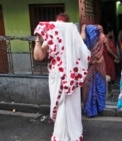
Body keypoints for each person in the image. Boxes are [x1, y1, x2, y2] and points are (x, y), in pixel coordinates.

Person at [33, 13, 91, 141]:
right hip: (62, 77)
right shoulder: (55, 37)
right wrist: (39, 37)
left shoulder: (71, 37)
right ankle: (64, 133)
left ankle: (68, 133)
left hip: (68, 76)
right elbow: (38, 56)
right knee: (63, 106)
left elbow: (84, 52)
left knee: (68, 105)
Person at [80, 24, 106, 117]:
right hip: (97, 64)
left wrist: (83, 28)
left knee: (93, 86)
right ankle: (98, 108)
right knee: (95, 86)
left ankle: (92, 110)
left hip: (93, 65)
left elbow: (81, 38)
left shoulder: (88, 42)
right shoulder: (101, 36)